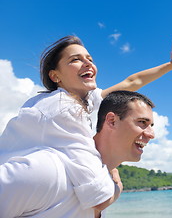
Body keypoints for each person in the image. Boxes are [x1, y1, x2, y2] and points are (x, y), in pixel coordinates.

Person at [0, 36, 172, 214]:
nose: (87, 63)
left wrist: (171, 65)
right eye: (75, 60)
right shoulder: (62, 108)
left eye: (89, 59)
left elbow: (131, 82)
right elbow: (98, 198)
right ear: (55, 76)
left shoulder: (85, 100)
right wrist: (117, 186)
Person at [0, 90, 155, 217]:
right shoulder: (49, 171)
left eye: (151, 125)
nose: (151, 134)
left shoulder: (102, 185)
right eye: (142, 122)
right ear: (112, 121)